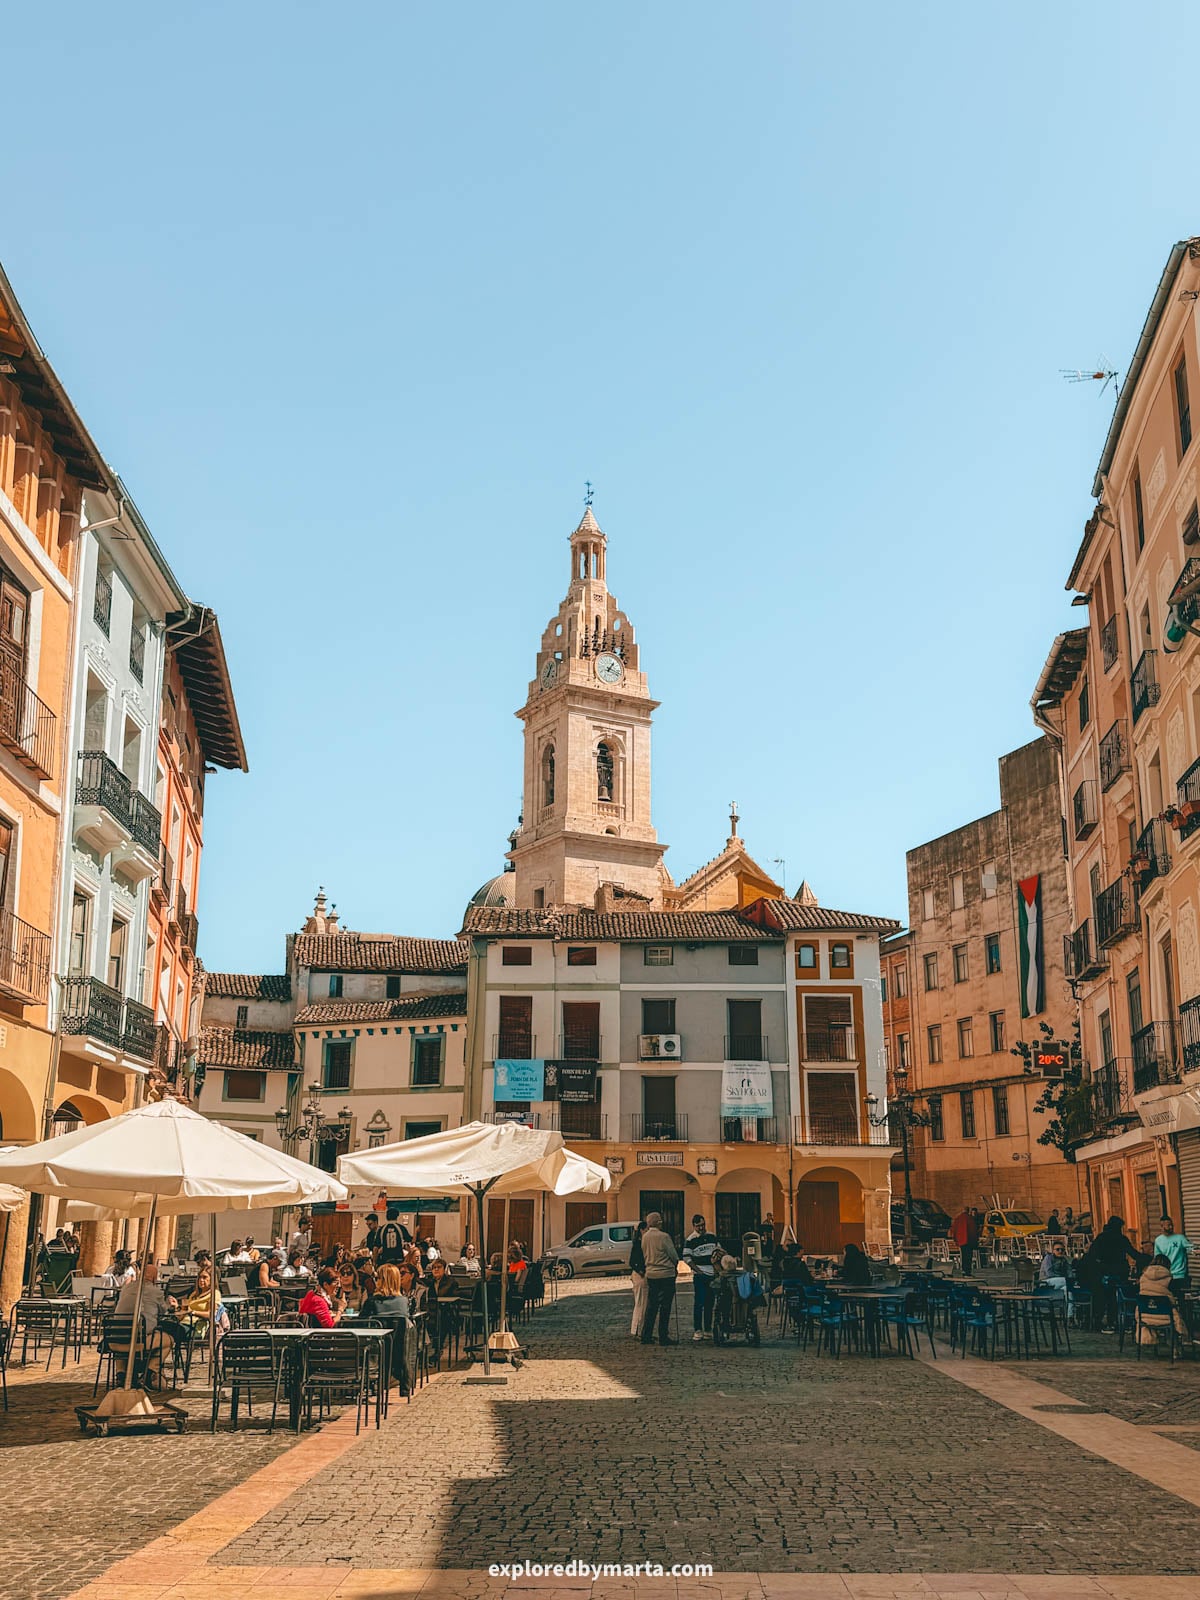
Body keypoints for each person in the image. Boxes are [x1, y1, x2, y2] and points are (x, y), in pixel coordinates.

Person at [1078, 1215, 1144, 1332]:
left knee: (1105, 1298)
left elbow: (1092, 1255)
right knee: (1117, 1298)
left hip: (1103, 1274)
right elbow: (1133, 1253)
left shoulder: (1101, 1238)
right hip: (1118, 1273)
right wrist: (1147, 1259)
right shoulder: (1121, 1239)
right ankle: (1116, 1321)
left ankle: (1104, 1322)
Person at [638, 1212, 680, 1346]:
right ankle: (663, 1336)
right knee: (665, 1306)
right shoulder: (664, 1237)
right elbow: (673, 1255)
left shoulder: (645, 1237)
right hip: (666, 1274)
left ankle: (646, 1334)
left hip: (651, 1273)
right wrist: (675, 1265)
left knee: (651, 1305)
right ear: (658, 1222)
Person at [682, 1213, 721, 1341]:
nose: (701, 1228)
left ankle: (708, 1328)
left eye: (703, 1225)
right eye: (698, 1226)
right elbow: (687, 1257)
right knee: (699, 1303)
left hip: (712, 1274)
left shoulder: (711, 1236)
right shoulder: (691, 1240)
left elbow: (719, 1250)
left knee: (710, 1302)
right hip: (700, 1275)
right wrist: (697, 1271)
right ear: (694, 1226)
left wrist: (717, 1267)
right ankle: (698, 1329)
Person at [1138, 1253, 1188, 1343]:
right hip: (1166, 1317)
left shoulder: (1142, 1278)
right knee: (1177, 1313)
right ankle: (1177, 1344)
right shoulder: (1169, 1280)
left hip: (1145, 1316)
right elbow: (1176, 1294)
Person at [1153, 1217, 1193, 1287]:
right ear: (1162, 1226)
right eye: (1168, 1225)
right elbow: (1158, 1258)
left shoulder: (1180, 1238)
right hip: (1166, 1276)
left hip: (1180, 1274)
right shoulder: (1158, 1240)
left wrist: (1195, 1251)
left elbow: (1191, 1248)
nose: (1171, 1227)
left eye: (1171, 1225)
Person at [1039, 1239, 1072, 1307]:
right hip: (1046, 1281)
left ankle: (1069, 1313)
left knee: (1069, 1292)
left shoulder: (1064, 1260)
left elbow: (1069, 1271)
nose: (1060, 1251)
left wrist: (1069, 1261)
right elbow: (1049, 1273)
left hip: (1060, 1282)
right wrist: (1066, 1278)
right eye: (1057, 1249)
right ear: (1053, 1251)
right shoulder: (1048, 1258)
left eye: (1062, 1250)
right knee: (1068, 1281)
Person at [629, 1221, 648, 1339]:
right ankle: (638, 1330)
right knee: (641, 1303)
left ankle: (639, 1329)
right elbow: (632, 1261)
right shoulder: (638, 1244)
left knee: (642, 1304)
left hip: (641, 1274)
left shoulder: (641, 1243)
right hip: (640, 1275)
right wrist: (640, 1270)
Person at [950, 1205, 980, 1275]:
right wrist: (975, 1240)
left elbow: (954, 1230)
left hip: (961, 1240)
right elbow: (973, 1230)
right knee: (968, 1256)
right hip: (969, 1240)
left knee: (963, 1255)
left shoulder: (958, 1218)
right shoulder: (970, 1218)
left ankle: (963, 1269)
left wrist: (955, 1239)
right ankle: (967, 1270)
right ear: (968, 1211)